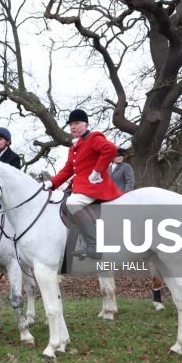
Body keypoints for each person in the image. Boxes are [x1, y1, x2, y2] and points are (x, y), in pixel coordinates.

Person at [46, 109, 122, 259]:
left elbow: (111, 149)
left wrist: (97, 171)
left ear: (86, 125)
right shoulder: (74, 147)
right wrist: (51, 183)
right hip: (81, 187)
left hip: (95, 186)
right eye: (71, 124)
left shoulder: (93, 138)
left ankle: (94, 244)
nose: (73, 127)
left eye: (77, 123)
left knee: (72, 203)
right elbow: (67, 170)